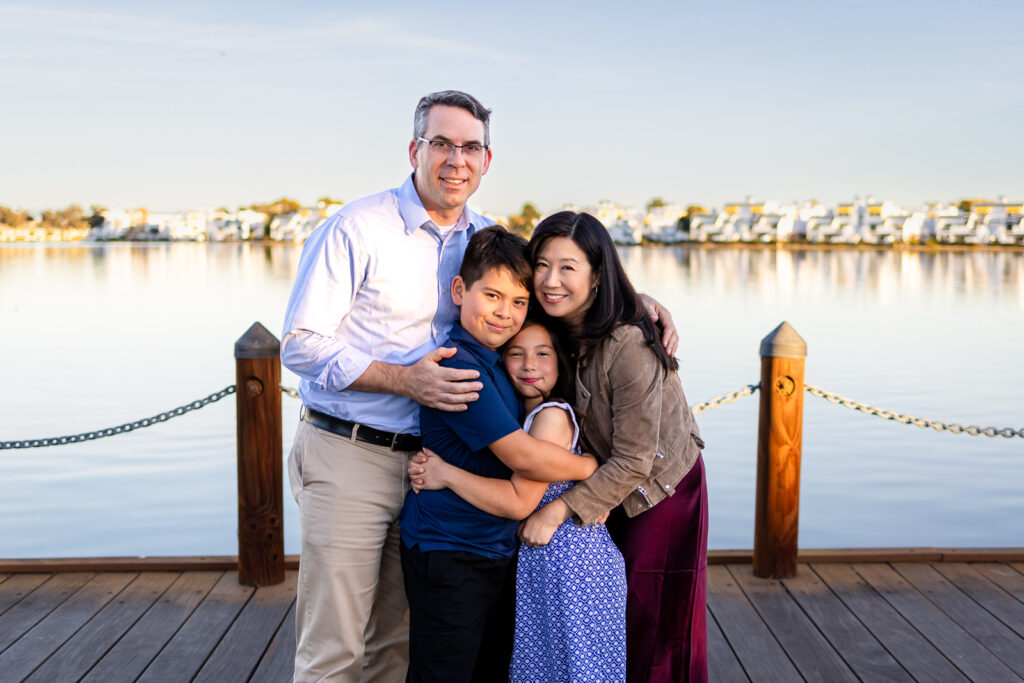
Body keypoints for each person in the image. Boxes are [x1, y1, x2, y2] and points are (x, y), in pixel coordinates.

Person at [281, 89, 677, 682]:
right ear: (415, 149)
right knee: (336, 643)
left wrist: (632, 300)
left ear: (486, 161)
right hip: (352, 451)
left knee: (397, 640)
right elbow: (300, 343)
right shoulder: (357, 228)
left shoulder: (488, 236)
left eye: (470, 147)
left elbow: (551, 288)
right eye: (441, 143)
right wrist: (405, 380)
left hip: (433, 461)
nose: (455, 159)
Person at [399, 226, 603, 683]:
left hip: (493, 550)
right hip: (452, 550)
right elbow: (523, 468)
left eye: (518, 301)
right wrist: (596, 467)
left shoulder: (501, 365)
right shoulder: (461, 368)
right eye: (492, 295)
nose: (505, 313)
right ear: (459, 290)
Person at [518, 211, 709, 683]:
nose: (551, 280)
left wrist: (559, 510)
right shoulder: (557, 325)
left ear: (597, 273)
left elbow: (635, 459)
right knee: (610, 617)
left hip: (662, 489)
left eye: (568, 267)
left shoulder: (629, 343)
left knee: (653, 618)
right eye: (542, 265)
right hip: (608, 481)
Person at [411, 317, 627, 682]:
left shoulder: (550, 417)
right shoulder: (523, 419)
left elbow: (517, 502)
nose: (529, 365)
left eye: (543, 354)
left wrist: (446, 474)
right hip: (548, 560)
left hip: (571, 564)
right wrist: (589, 465)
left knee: (575, 671)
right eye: (516, 354)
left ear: (560, 362)